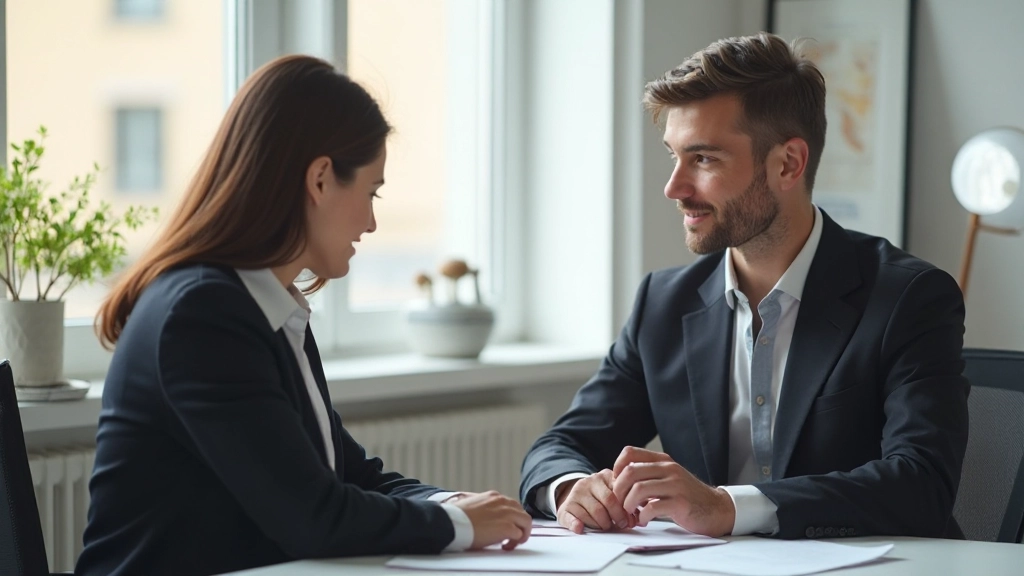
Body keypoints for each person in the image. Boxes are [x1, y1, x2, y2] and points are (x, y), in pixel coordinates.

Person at [77, 55, 531, 576]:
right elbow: (315, 518)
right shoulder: (201, 316)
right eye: (371, 192)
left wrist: (459, 504)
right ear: (320, 179)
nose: (372, 222)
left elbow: (348, 475)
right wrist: (461, 525)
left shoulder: (264, 306)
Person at [519, 32, 970, 541]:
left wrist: (726, 507)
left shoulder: (909, 298)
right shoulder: (663, 304)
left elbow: (922, 484)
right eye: (674, 155)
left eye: (704, 159)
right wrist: (571, 487)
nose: (675, 187)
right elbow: (560, 446)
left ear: (787, 164)